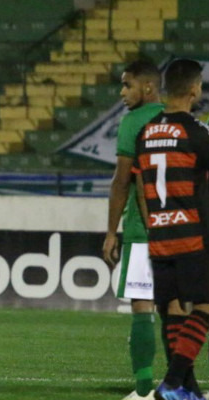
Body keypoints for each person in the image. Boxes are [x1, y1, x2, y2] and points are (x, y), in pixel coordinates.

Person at [134, 59, 209, 400]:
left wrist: (153, 225)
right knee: (204, 307)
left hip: (159, 233)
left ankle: (185, 390)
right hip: (192, 233)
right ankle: (174, 382)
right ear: (194, 89)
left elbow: (141, 186)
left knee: (174, 309)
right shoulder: (197, 134)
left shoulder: (145, 132)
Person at [102, 60, 163, 400]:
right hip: (182, 228)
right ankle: (181, 382)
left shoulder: (133, 123)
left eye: (128, 85)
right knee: (178, 308)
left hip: (142, 230)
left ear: (148, 87)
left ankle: (143, 387)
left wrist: (112, 232)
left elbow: (121, 181)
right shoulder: (181, 121)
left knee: (143, 306)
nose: (122, 92)